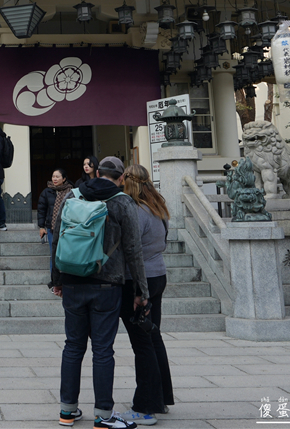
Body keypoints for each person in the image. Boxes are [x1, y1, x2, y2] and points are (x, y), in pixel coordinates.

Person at [52, 156, 149, 429]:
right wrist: (142, 290)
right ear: (120, 178)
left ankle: (67, 411)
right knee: (103, 350)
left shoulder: (73, 195)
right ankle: (104, 415)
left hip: (72, 281)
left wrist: (56, 278)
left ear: (96, 172)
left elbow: (57, 236)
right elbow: (133, 249)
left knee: (72, 346)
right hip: (107, 284)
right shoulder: (122, 202)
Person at [118, 164, 174, 425]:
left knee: (142, 343)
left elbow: (133, 250)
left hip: (140, 280)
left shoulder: (136, 211)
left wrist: (138, 289)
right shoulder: (157, 207)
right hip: (158, 273)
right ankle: (160, 398)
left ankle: (145, 406)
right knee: (153, 338)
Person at [37, 167, 71, 289]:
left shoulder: (70, 191)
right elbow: (41, 210)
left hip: (67, 228)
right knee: (54, 254)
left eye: (57, 177)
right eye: (53, 176)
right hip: (51, 228)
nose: (55, 179)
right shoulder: (47, 192)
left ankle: (66, 279)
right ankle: (55, 282)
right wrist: (41, 226)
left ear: (64, 178)